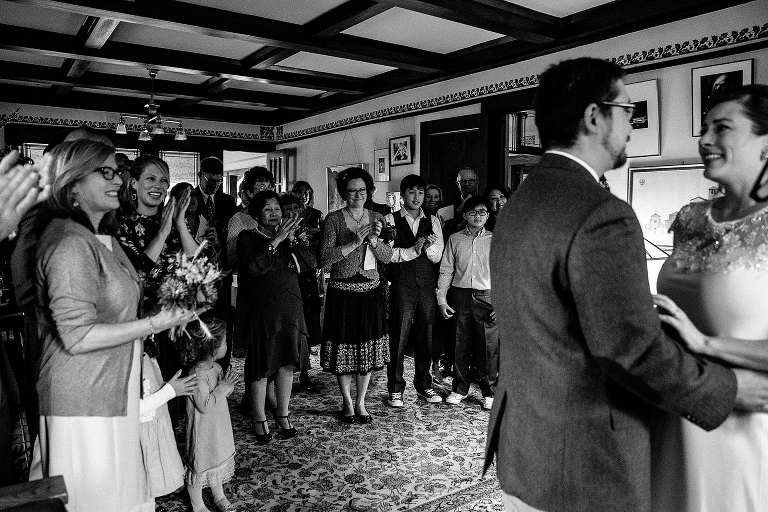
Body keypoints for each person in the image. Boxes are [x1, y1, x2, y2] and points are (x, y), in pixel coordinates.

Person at [483, 57, 768, 512]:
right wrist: (727, 388)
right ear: (595, 117)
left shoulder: (523, 198)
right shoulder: (602, 213)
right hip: (590, 453)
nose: (632, 126)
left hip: (535, 447)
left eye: (723, 128)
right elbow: (628, 347)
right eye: (627, 111)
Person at [29, 139, 195, 512]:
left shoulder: (101, 234)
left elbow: (130, 284)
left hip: (112, 382)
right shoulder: (69, 241)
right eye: (104, 172)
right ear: (71, 184)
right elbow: (76, 335)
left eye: (116, 171)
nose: (117, 179)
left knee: (123, 495)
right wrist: (156, 322)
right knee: (95, 499)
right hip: (83, 394)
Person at [649, 84, 768, 512]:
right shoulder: (691, 218)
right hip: (674, 412)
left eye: (722, 128)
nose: (704, 140)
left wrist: (706, 344)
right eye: (704, 128)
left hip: (743, 429)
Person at [117, 156, 201, 428]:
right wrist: (163, 231)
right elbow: (138, 275)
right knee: (151, 402)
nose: (159, 186)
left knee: (179, 399)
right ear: (134, 184)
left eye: (164, 180)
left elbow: (198, 266)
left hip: (178, 321)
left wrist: (178, 225)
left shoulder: (171, 222)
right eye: (151, 179)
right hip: (144, 322)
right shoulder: (121, 224)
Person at [320, 167, 392, 424]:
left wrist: (373, 241)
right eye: (352, 191)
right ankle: (347, 402)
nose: (357, 195)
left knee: (366, 352)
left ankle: (361, 402)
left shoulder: (377, 216)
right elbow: (325, 258)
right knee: (344, 350)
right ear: (343, 194)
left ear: (369, 191)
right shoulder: (334, 219)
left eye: (362, 190)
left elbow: (387, 257)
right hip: (343, 292)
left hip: (371, 291)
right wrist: (353, 243)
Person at [236, 191, 308, 442]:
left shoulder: (291, 238)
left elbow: (310, 264)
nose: (275, 213)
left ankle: (283, 412)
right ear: (256, 214)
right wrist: (277, 239)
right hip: (262, 311)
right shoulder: (247, 237)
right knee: (261, 365)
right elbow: (254, 266)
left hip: (290, 306)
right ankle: (259, 417)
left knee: (287, 362)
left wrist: (294, 241)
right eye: (268, 209)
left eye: (277, 208)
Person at [384, 174, 444, 407]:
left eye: (421, 192)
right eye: (412, 192)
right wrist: (412, 249)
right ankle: (395, 388)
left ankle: (424, 385)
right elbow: (388, 255)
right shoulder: (390, 219)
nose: (417, 197)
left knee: (426, 336)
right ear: (403, 195)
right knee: (398, 336)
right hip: (402, 284)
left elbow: (438, 254)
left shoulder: (433, 220)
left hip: (427, 285)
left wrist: (427, 249)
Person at [437, 195, 497, 410]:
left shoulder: (495, 239)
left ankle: (489, 392)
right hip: (460, 295)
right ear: (465, 215)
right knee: (459, 344)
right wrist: (442, 299)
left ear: (488, 215)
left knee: (487, 347)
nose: (478, 216)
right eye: (473, 212)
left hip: (488, 297)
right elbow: (446, 270)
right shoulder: (454, 239)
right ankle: (459, 388)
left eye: (482, 212)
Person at [178, 320, 237, 512]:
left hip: (217, 427)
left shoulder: (216, 368)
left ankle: (219, 496)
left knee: (216, 460)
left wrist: (227, 386)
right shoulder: (197, 375)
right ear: (212, 347)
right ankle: (198, 505)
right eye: (225, 342)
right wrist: (223, 388)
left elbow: (220, 396)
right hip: (202, 431)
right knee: (200, 466)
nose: (227, 346)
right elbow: (204, 405)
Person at [139, 336, 198, 512]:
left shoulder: (145, 350)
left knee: (149, 489)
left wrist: (169, 387)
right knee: (140, 487)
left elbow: (148, 389)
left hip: (153, 428)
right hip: (139, 436)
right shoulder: (129, 356)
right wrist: (170, 391)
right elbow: (133, 408)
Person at [281, 192, 320, 391]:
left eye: (296, 209)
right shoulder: (276, 232)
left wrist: (298, 240)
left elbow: (311, 261)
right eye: (287, 209)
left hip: (306, 283)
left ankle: (305, 373)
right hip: (285, 285)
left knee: (305, 331)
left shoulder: (309, 232)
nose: (292, 213)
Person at [227, 166, 274, 271]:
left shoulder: (275, 217)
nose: (268, 192)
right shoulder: (239, 219)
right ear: (249, 192)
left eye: (270, 186)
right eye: (262, 187)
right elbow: (232, 259)